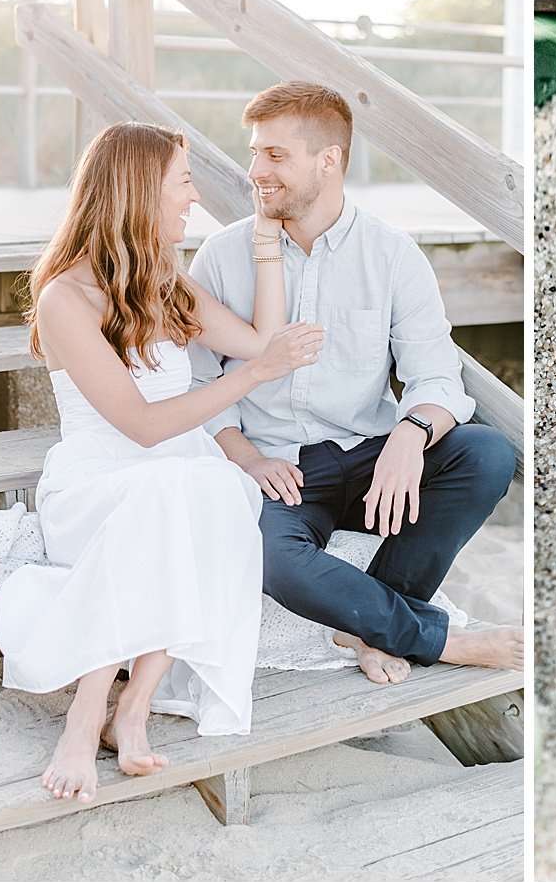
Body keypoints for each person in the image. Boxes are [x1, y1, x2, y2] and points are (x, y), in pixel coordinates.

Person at [0, 121, 325, 806]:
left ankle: (133, 705)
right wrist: (254, 374)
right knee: (175, 490)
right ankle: (90, 712)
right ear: (138, 192)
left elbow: (258, 339)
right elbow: (141, 427)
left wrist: (266, 239)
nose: (193, 198)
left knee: (206, 487)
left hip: (176, 471)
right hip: (99, 479)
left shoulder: (165, 280)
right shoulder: (65, 299)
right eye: (182, 182)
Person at [188, 81, 523, 685]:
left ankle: (367, 623)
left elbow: (437, 376)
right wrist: (245, 457)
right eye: (255, 152)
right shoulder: (219, 256)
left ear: (330, 160)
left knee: (488, 452)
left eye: (275, 155)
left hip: (372, 457)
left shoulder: (392, 255)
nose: (256, 171)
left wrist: (410, 435)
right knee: (272, 558)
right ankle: (432, 637)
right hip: (280, 469)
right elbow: (197, 379)